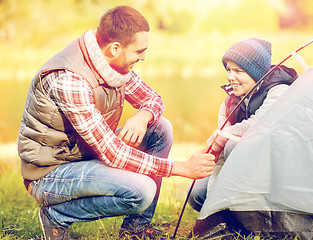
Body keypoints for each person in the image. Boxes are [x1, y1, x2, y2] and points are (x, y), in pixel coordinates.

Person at [17, 5, 215, 240]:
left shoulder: (111, 63)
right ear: (115, 48)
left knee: (161, 128)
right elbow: (113, 154)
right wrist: (181, 168)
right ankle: (56, 216)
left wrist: (143, 117)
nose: (143, 57)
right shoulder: (71, 81)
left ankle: (135, 229)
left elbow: (153, 100)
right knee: (142, 191)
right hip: (49, 174)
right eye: (139, 51)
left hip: (83, 156)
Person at [188, 38, 297, 212]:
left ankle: (256, 213)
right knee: (196, 193)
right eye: (229, 69)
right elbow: (221, 155)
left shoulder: (279, 91)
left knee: (233, 143)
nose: (231, 77)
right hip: (240, 171)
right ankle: (231, 213)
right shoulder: (228, 103)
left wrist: (222, 136)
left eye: (238, 70)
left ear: (256, 72)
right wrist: (212, 201)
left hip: (276, 173)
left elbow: (259, 124)